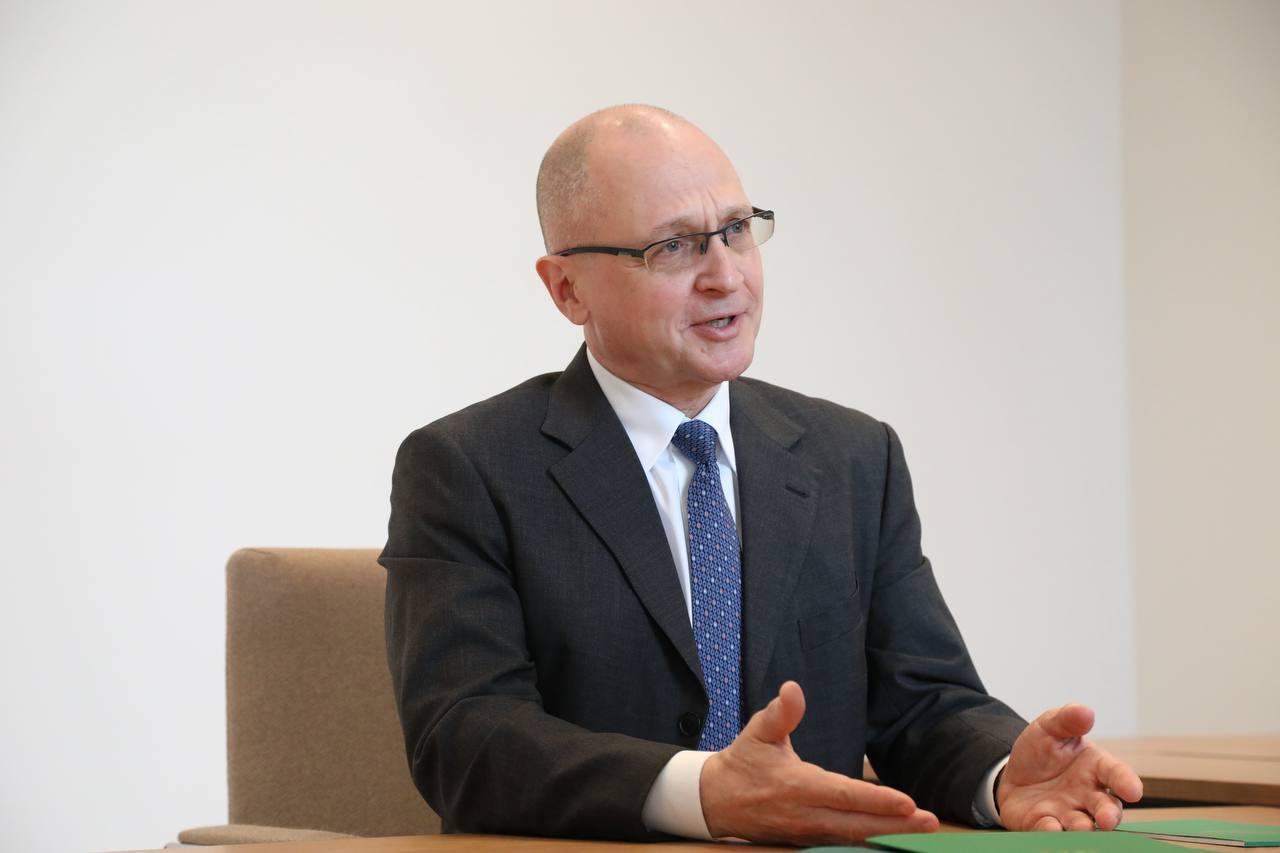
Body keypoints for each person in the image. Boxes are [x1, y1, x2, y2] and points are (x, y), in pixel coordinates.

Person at [379, 104, 1142, 846]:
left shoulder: (853, 456)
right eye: (674, 247)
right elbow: (465, 736)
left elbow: (923, 703)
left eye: (737, 231)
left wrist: (1002, 771)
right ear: (567, 289)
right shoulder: (469, 467)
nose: (725, 275)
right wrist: (703, 792)